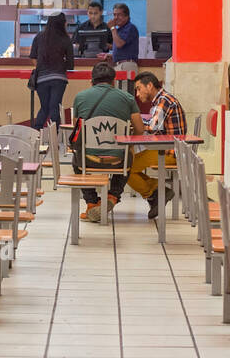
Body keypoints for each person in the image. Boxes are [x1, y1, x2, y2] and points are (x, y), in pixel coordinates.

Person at [72, 62, 144, 224]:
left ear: (92, 81)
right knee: (129, 153)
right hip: (118, 159)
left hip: (88, 158)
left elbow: (77, 131)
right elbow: (140, 129)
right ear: (114, 82)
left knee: (76, 161)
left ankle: (91, 203)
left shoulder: (80, 97)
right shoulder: (128, 98)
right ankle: (112, 195)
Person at [129, 72, 188, 220]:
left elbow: (153, 127)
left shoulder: (164, 100)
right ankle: (156, 193)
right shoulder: (162, 99)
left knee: (126, 167)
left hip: (169, 152)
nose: (137, 94)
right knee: (128, 165)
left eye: (138, 88)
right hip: (167, 149)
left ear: (149, 86)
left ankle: (157, 192)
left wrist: (134, 124)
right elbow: (154, 123)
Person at [29, 12, 73, 129]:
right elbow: (70, 64)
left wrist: (43, 67)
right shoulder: (65, 39)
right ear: (62, 23)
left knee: (44, 107)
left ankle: (36, 135)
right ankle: (56, 139)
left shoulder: (39, 36)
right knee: (54, 107)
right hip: (59, 78)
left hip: (42, 78)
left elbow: (33, 58)